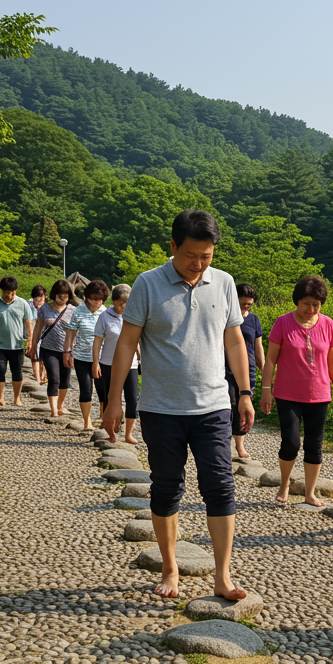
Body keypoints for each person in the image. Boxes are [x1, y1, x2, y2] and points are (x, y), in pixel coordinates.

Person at [103, 209, 256, 601]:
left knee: (220, 487)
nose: (199, 264)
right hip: (161, 408)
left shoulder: (222, 283)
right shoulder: (148, 284)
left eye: (207, 256)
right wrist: (114, 399)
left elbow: (235, 341)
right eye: (192, 255)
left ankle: (223, 576)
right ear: (173, 246)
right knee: (167, 488)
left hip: (213, 405)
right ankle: (170, 568)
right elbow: (127, 343)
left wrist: (244, 391)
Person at [260, 275, 333, 507]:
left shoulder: (327, 324)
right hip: (287, 394)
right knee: (291, 442)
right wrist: (265, 390)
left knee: (314, 445)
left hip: (319, 394)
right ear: (297, 301)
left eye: (316, 304)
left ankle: (310, 493)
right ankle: (285, 483)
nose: (311, 308)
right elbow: (270, 359)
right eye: (306, 303)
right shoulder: (283, 322)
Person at [92, 283, 141, 444]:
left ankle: (128, 433)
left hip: (131, 364)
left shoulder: (134, 316)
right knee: (110, 398)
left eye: (127, 303)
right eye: (121, 303)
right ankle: (111, 431)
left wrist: (142, 358)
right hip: (108, 363)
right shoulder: (105, 316)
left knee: (132, 399)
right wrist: (95, 362)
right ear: (113, 301)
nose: (124, 306)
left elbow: (138, 340)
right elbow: (98, 341)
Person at [0, 276, 34, 407]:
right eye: (6, 293)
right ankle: (1, 398)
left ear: (16, 291)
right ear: (2, 290)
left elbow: (29, 323)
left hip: (17, 345)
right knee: (0, 369)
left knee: (17, 371)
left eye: (12, 293)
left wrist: (30, 340)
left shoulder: (23, 304)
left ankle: (17, 398)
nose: (9, 296)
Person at [64, 280, 109, 431]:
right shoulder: (78, 311)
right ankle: (86, 421)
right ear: (86, 297)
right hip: (81, 357)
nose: (96, 302)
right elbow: (70, 332)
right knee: (86, 388)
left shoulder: (105, 311)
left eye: (100, 299)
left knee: (103, 389)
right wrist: (67, 351)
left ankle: (104, 418)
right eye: (93, 298)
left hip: (103, 357)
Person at [226, 283, 265, 459]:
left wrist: (264, 370)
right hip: (226, 370)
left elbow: (259, 348)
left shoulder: (254, 320)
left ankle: (240, 445)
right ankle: (224, 445)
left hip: (248, 371)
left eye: (249, 304)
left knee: (244, 409)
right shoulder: (225, 317)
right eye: (243, 304)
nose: (246, 307)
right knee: (229, 407)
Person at [30, 279, 76, 417]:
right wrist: (33, 347)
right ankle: (54, 410)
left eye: (66, 296)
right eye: (60, 296)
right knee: (54, 378)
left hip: (67, 350)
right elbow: (37, 329)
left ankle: (60, 405)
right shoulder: (45, 308)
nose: (63, 299)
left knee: (65, 380)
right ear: (54, 295)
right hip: (48, 349)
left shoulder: (73, 310)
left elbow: (76, 332)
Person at [27, 285, 48, 388]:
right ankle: (37, 379)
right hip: (33, 334)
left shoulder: (47, 307)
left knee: (44, 357)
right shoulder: (28, 306)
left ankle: (43, 376)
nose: (40, 299)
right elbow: (28, 322)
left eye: (42, 296)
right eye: (38, 296)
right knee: (34, 357)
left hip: (45, 335)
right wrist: (29, 338)